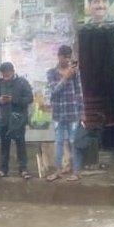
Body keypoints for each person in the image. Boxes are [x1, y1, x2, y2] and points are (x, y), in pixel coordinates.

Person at [45, 45, 84, 182]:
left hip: (73, 113)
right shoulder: (51, 73)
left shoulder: (75, 72)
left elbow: (79, 92)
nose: (67, 60)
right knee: (59, 143)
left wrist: (82, 112)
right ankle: (58, 171)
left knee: (74, 142)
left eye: (69, 57)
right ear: (59, 56)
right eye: (65, 57)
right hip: (58, 114)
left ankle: (76, 172)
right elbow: (53, 92)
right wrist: (65, 77)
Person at [0, 62, 34, 179]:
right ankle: (3, 169)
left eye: (7, 73)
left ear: (12, 71)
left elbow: (30, 98)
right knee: (4, 145)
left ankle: (23, 170)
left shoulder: (22, 82)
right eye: (3, 74)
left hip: (18, 119)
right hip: (4, 119)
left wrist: (13, 99)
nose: (5, 76)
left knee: (20, 144)